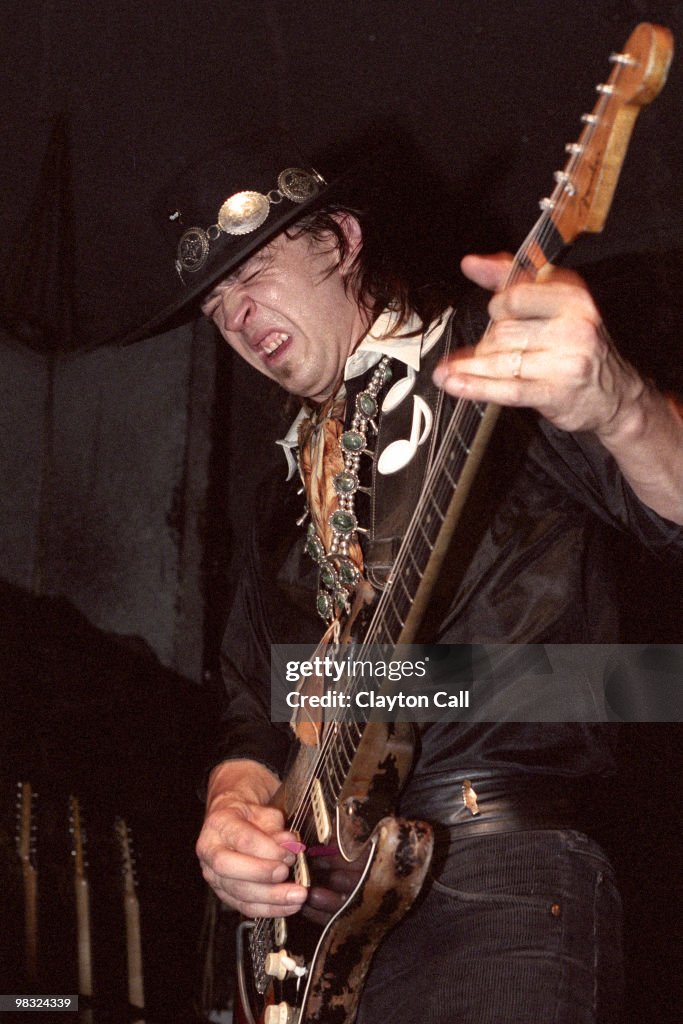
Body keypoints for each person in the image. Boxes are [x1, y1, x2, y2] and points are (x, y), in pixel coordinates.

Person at [131, 130, 683, 1022]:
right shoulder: (282, 488)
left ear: (341, 240)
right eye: (216, 307)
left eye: (255, 274)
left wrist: (619, 405)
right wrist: (233, 805)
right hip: (319, 918)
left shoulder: (496, 359)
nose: (236, 316)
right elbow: (254, 700)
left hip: (492, 874)